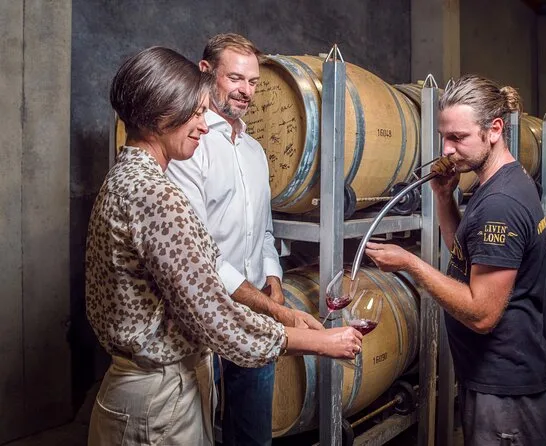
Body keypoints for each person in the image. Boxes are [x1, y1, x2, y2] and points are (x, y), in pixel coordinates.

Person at [86, 46, 362, 446]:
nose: (203, 126)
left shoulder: (128, 177)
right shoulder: (154, 195)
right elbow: (211, 311)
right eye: (195, 113)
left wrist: (278, 305)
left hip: (151, 387)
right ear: (161, 116)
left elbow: (206, 259)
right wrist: (317, 341)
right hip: (158, 397)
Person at [365, 75, 546, 446]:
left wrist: (411, 264)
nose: (447, 150)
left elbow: (482, 314)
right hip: (499, 373)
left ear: (494, 130)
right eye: (444, 137)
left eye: (458, 137)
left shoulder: (501, 204)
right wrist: (443, 198)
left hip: (505, 385)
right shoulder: (502, 181)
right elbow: (469, 255)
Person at [165, 33, 305, 446]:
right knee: (198, 431)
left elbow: (264, 230)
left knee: (253, 434)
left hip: (254, 309)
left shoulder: (254, 151)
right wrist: (267, 305)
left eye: (254, 82)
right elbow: (196, 251)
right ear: (205, 72)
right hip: (203, 313)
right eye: (236, 79)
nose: (247, 91)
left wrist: (273, 280)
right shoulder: (188, 145)